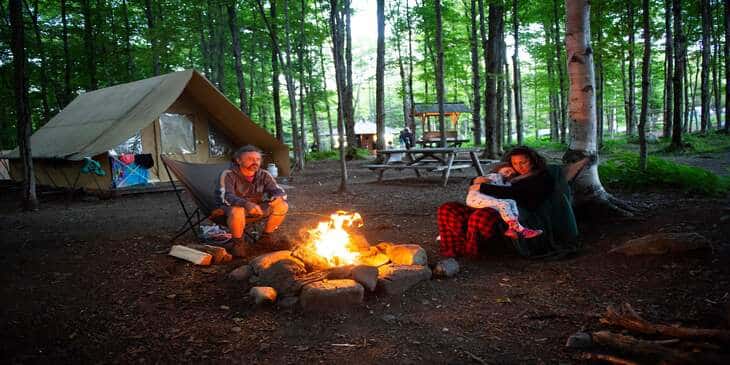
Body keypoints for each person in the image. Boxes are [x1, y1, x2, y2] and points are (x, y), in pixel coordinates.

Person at [437, 146, 578, 258]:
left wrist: (483, 187)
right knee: (447, 208)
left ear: (533, 160)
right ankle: (454, 248)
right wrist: (475, 181)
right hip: (490, 203)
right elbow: (491, 179)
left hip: (516, 211)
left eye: (524, 162)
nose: (519, 167)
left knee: (481, 216)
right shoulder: (511, 173)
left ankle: (470, 250)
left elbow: (517, 194)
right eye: (515, 163)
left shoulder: (542, 177)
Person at [216, 145, 289, 257]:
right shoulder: (228, 174)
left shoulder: (263, 174)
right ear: (238, 160)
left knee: (282, 205)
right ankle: (238, 244)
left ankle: (265, 238)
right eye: (250, 159)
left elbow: (277, 190)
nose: (255, 162)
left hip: (256, 208)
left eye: (258, 159)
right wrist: (246, 204)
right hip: (230, 210)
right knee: (237, 210)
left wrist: (277, 197)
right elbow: (226, 196)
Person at [465, 162, 543, 239]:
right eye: (507, 170)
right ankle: (521, 230)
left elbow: (504, 190)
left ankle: (512, 228)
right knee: (504, 204)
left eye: (512, 174)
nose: (509, 174)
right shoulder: (496, 176)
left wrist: (515, 179)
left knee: (511, 202)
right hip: (476, 198)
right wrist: (478, 181)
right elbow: (488, 184)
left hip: (485, 199)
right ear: (500, 168)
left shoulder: (506, 182)